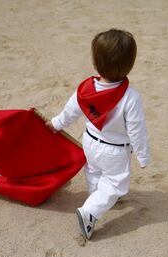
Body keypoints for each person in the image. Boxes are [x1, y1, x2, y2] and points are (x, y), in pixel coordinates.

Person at [46, 29, 150, 240]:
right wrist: (143, 155)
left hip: (90, 143)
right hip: (114, 151)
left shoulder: (86, 88)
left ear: (95, 63)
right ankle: (90, 211)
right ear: (130, 64)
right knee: (116, 183)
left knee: (94, 171)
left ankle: (96, 195)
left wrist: (56, 123)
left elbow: (70, 111)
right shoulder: (131, 97)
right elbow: (136, 129)